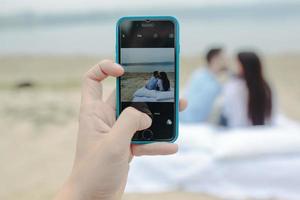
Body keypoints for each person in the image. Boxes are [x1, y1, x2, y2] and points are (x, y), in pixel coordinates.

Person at [55, 60, 187, 200]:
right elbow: (159, 88)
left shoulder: (155, 81)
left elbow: (153, 87)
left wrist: (82, 191)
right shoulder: (161, 80)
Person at [221, 52, 273, 127]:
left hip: (238, 131)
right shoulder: (266, 86)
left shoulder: (234, 87)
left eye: (236, 64)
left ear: (242, 67)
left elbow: (228, 112)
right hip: (262, 130)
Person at [180, 48, 227, 123]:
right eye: (223, 58)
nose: (226, 61)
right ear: (214, 59)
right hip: (189, 120)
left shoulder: (212, 77)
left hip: (197, 120)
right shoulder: (200, 75)